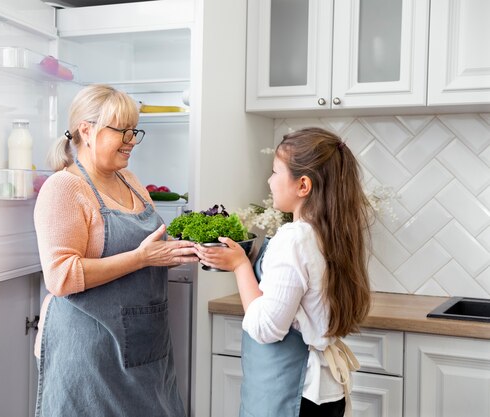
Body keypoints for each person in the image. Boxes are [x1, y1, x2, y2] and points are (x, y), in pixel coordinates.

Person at [33, 84, 198, 417]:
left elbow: (152, 251)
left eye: (134, 131)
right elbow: (62, 277)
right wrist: (142, 258)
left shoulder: (129, 180)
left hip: (148, 346)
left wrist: (184, 250)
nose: (131, 141)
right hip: (90, 351)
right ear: (87, 130)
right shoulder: (64, 188)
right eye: (121, 131)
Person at [196, 127, 372, 417]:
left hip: (294, 394)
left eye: (276, 172)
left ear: (303, 185)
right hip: (322, 394)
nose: (269, 180)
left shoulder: (293, 238)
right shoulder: (331, 234)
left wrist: (240, 266)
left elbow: (265, 328)